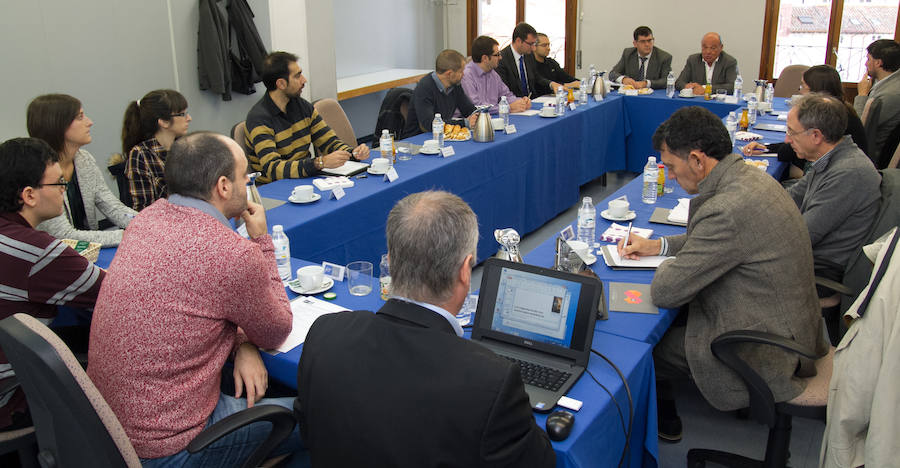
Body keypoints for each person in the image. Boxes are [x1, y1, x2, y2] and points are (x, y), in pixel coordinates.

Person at [87, 132, 307, 466]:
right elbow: (277, 330)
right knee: (328, 418)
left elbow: (195, 308)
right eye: (244, 175)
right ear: (223, 186)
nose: (248, 181)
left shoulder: (144, 221)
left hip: (106, 431)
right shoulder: (231, 253)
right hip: (170, 449)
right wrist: (262, 240)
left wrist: (243, 343)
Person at [296, 191, 555, 467]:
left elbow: (308, 430)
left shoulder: (325, 333)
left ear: (391, 262)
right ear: (465, 272)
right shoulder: (492, 382)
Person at [618, 106, 829, 442]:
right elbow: (716, 237)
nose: (669, 176)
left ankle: (659, 420)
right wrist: (657, 246)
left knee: (643, 349)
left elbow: (667, 291)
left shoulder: (727, 209)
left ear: (698, 160)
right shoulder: (748, 178)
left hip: (768, 347)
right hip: (793, 324)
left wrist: (672, 264)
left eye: (672, 167)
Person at [0, 137, 105, 431]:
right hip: (11, 396)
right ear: (29, 195)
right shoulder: (38, 251)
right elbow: (114, 292)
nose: (64, 191)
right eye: (58, 183)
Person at [781, 94, 881, 337]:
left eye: (792, 132)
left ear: (815, 136)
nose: (787, 139)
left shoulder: (848, 173)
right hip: (810, 257)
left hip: (817, 269)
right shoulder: (831, 158)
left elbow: (800, 236)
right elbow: (791, 197)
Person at [27, 94, 137, 246]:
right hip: (55, 258)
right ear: (58, 125)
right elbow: (64, 236)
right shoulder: (37, 170)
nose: (90, 122)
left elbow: (112, 207)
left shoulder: (84, 159)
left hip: (89, 252)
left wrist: (143, 224)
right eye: (80, 117)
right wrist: (128, 236)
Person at [245, 51, 370, 183]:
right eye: (298, 76)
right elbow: (274, 169)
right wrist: (319, 163)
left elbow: (329, 142)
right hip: (275, 189)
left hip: (305, 180)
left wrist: (353, 153)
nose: (304, 80)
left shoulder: (302, 106)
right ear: (281, 84)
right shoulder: (259, 119)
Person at [742, 65, 868, 180]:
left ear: (815, 92)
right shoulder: (840, 109)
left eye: (802, 86)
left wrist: (771, 148)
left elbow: (789, 152)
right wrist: (767, 147)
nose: (800, 91)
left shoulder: (829, 118)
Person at [120, 89, 191, 211]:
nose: (189, 118)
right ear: (163, 121)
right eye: (182, 114)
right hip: (164, 225)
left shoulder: (186, 146)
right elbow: (144, 210)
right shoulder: (141, 154)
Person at [404, 49, 478, 137]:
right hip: (419, 138)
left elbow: (468, 109)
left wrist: (477, 116)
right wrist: (465, 122)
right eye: (461, 72)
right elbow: (430, 124)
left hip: (442, 135)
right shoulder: (424, 88)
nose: (463, 75)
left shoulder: (455, 85)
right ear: (449, 74)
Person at [853, 39, 900, 161]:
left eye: (868, 59)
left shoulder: (890, 94)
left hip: (869, 155)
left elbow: (859, 129)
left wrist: (862, 94)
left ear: (878, 63)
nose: (865, 64)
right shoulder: (886, 81)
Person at [460, 35, 531, 115]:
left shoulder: (493, 73)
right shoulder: (466, 75)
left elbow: (506, 95)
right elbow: (476, 107)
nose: (500, 57)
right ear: (485, 58)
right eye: (497, 55)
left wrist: (520, 101)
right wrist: (508, 108)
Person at [496, 22, 556, 98]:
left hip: (531, 101)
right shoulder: (502, 59)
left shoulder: (529, 55)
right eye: (530, 44)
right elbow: (503, 90)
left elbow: (536, 77)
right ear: (518, 41)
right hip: (514, 103)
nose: (533, 48)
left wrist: (551, 84)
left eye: (534, 44)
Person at [609, 26, 673, 90]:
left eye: (649, 40)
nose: (647, 44)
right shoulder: (628, 54)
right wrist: (623, 79)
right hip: (631, 94)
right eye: (643, 41)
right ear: (635, 44)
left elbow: (666, 81)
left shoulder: (664, 57)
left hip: (652, 95)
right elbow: (612, 74)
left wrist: (646, 83)